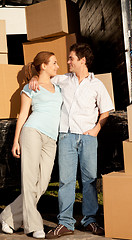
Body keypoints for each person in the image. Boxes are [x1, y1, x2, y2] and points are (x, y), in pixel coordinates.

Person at [29, 43, 114, 239]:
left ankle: (89, 221)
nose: (67, 62)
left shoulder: (96, 84)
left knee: (89, 181)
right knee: (66, 181)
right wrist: (34, 77)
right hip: (66, 136)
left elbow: (106, 111)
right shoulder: (62, 80)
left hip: (88, 137)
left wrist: (96, 129)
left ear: (82, 61)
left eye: (71, 59)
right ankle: (65, 223)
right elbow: (42, 75)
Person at [0, 51, 62, 239]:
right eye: (54, 63)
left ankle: (8, 217)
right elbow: (23, 115)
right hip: (32, 132)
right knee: (29, 180)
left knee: (42, 184)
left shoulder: (58, 85)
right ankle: (33, 226)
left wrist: (35, 76)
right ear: (43, 65)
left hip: (51, 138)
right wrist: (15, 141)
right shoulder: (30, 88)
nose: (57, 66)